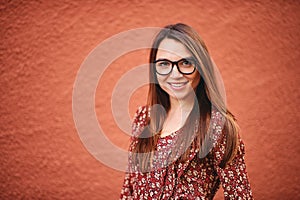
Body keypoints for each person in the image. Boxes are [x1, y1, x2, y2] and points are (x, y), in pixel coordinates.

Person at [120, 23, 253, 199]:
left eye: (185, 62)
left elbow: (240, 196)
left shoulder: (217, 126)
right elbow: (129, 190)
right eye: (164, 63)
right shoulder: (144, 118)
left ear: (201, 66)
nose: (175, 74)